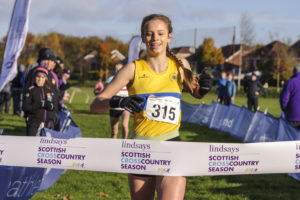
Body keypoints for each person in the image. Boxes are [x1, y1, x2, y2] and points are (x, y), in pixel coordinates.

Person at [90, 14, 212, 200]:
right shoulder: (132, 69)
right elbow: (95, 105)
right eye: (150, 34)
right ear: (143, 37)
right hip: (140, 149)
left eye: (160, 33)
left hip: (172, 144)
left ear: (169, 36)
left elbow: (196, 92)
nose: (155, 39)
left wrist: (204, 87)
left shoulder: (180, 66)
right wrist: (118, 102)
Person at [22, 67, 58, 136]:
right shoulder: (30, 90)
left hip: (46, 124)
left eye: (42, 77)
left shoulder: (48, 91)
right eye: (38, 77)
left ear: (45, 79)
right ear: (35, 77)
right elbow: (25, 107)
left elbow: (52, 105)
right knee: (31, 144)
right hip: (33, 123)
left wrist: (50, 106)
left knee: (43, 145)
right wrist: (39, 104)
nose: (40, 79)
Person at [105, 63, 130, 139]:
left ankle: (124, 143)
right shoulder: (110, 79)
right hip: (114, 107)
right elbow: (105, 92)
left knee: (124, 125)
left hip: (125, 107)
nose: (117, 70)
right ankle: (113, 146)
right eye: (116, 69)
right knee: (114, 131)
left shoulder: (128, 79)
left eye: (119, 69)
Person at [280, 64, 300, 130]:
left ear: (294, 71)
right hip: (293, 116)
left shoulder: (290, 82)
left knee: (291, 138)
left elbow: (284, 100)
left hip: (292, 116)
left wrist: (286, 111)